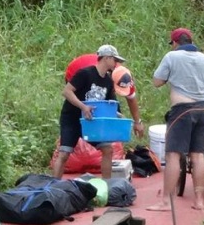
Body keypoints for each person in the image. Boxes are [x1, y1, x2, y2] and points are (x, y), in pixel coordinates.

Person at [147, 28, 204, 211]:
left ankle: (166, 201)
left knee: (173, 154)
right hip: (202, 110)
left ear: (175, 43)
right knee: (198, 156)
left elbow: (157, 82)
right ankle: (199, 201)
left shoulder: (171, 57)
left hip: (181, 111)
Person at [53, 45, 144, 180]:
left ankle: (106, 185)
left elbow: (110, 106)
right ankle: (53, 186)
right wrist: (83, 107)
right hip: (72, 119)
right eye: (115, 60)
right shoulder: (85, 73)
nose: (116, 63)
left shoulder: (108, 81)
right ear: (106, 58)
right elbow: (66, 92)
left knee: (108, 150)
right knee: (64, 153)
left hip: (92, 123)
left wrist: (123, 119)